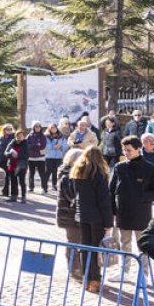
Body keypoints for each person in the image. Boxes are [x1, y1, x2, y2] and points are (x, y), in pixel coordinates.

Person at [111, 135, 154, 266]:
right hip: (123, 213)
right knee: (125, 243)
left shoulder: (150, 168)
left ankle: (144, 271)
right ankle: (125, 270)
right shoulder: (119, 167)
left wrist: (142, 197)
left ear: (138, 149)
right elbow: (111, 190)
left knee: (143, 245)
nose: (126, 153)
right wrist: (113, 211)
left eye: (129, 150)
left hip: (141, 214)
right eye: (124, 150)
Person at [71, 148, 113, 293]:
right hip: (97, 217)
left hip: (83, 215)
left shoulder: (78, 173)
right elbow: (104, 201)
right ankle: (95, 281)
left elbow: (75, 194)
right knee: (96, 250)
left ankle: (87, 279)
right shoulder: (99, 175)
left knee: (85, 248)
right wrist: (108, 223)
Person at [56, 148, 85, 279]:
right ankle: (74, 269)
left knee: (77, 242)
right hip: (69, 215)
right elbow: (72, 195)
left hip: (74, 215)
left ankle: (78, 268)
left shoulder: (74, 173)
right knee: (73, 242)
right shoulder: (66, 175)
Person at [4, 129, 29, 203]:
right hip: (12, 165)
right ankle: (13, 196)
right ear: (16, 136)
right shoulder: (12, 142)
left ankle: (23, 197)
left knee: (22, 182)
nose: (20, 137)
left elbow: (27, 155)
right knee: (13, 181)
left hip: (21, 165)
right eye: (18, 135)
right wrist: (11, 154)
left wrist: (18, 155)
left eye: (21, 136)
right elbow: (5, 152)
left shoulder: (26, 143)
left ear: (24, 136)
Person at [44, 123, 68, 194]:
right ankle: (44, 186)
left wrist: (61, 146)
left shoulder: (61, 136)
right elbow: (44, 146)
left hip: (58, 157)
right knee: (48, 171)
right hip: (49, 157)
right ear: (49, 128)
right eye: (51, 127)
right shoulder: (46, 136)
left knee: (56, 171)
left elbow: (66, 146)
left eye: (54, 127)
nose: (53, 129)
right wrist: (53, 146)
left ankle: (54, 185)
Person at [25, 121, 48, 194]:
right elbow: (26, 145)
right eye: (36, 126)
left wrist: (33, 146)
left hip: (41, 158)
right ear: (33, 127)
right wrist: (36, 145)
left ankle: (44, 188)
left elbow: (43, 146)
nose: (37, 128)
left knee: (42, 174)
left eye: (39, 126)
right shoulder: (29, 136)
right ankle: (31, 187)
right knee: (31, 174)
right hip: (31, 158)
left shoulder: (43, 136)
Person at [0, 124, 16, 198]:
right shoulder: (1, 138)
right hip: (2, 160)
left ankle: (14, 193)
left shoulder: (14, 138)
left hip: (11, 160)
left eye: (10, 129)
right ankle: (5, 192)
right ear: (4, 130)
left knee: (12, 177)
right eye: (7, 129)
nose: (9, 131)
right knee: (4, 176)